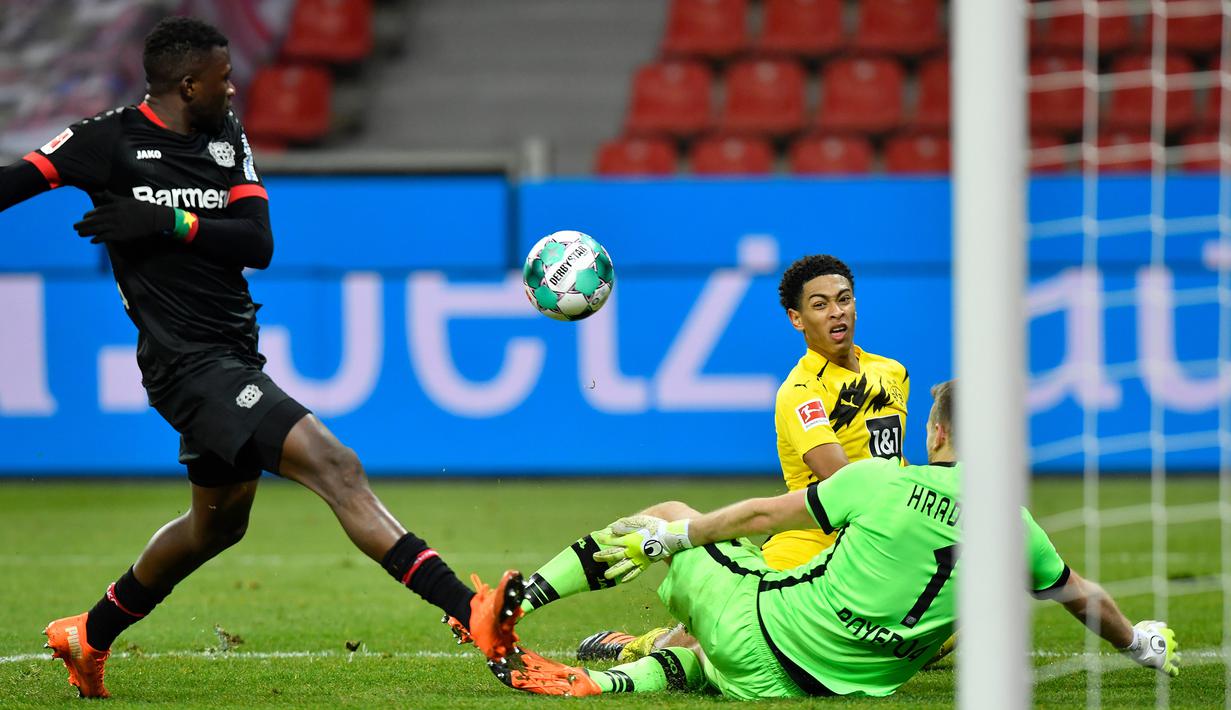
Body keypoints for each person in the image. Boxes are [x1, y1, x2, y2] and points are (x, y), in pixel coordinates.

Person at [0, 17, 519, 699]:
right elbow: (15, 183)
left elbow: (256, 241)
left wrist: (164, 222)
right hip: (187, 367)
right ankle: (468, 610)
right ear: (188, 83)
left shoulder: (224, 138)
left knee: (216, 526)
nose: (235, 87)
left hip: (231, 352)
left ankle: (88, 634)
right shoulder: (107, 141)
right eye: (222, 78)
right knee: (337, 467)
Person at [483, 380, 1180, 699]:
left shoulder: (878, 478)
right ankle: (603, 682)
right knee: (708, 666)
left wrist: (674, 536)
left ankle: (515, 604)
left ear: (934, 435)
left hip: (766, 632)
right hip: (811, 687)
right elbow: (1079, 594)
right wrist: (1137, 643)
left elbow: (760, 515)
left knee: (669, 513)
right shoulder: (1016, 525)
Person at [535, 254, 912, 663]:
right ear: (797, 319)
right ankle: (641, 645)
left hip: (883, 538)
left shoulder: (892, 372)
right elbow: (843, 483)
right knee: (737, 639)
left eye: (844, 299)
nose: (837, 312)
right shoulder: (802, 390)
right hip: (810, 538)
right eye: (820, 305)